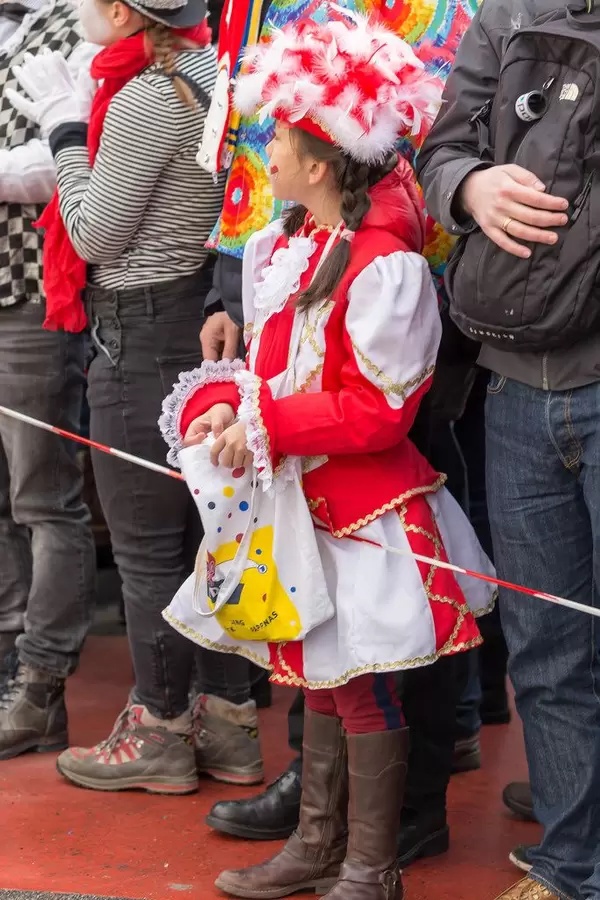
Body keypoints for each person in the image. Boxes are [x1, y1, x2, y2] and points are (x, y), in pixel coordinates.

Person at [161, 15, 496, 898]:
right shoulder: (295, 250)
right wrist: (222, 407)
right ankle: (320, 848)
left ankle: (369, 865)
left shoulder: (385, 267)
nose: (263, 150)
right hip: (305, 505)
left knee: (357, 689)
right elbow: (272, 373)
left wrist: (263, 419)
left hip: (365, 513)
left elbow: (376, 413)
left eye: (279, 136)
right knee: (315, 676)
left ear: (319, 163)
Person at [8, 0, 262, 793]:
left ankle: (159, 727)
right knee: (203, 534)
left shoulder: (153, 92)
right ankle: (226, 724)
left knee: (151, 546)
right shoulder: (208, 71)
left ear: (122, 14)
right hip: (187, 315)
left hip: (145, 324)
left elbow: (91, 234)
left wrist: (63, 126)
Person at [417, 1, 600, 898]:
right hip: (519, 377)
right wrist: (470, 189)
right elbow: (441, 150)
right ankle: (571, 869)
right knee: (545, 646)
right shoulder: (511, 12)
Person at [0, 0, 96, 758]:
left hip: (33, 295)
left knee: (42, 497)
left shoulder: (82, 23)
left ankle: (40, 684)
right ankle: (11, 664)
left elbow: (63, 165)